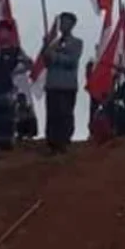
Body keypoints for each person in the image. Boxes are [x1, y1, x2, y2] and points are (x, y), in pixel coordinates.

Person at [42, 12, 83, 154]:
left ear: (72, 25)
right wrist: (45, 47)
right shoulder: (53, 43)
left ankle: (64, 141)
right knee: (52, 115)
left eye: (66, 22)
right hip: (52, 84)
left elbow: (71, 61)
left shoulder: (77, 42)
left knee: (65, 114)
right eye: (61, 22)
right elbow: (46, 63)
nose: (62, 25)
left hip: (67, 85)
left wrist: (53, 54)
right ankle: (52, 143)